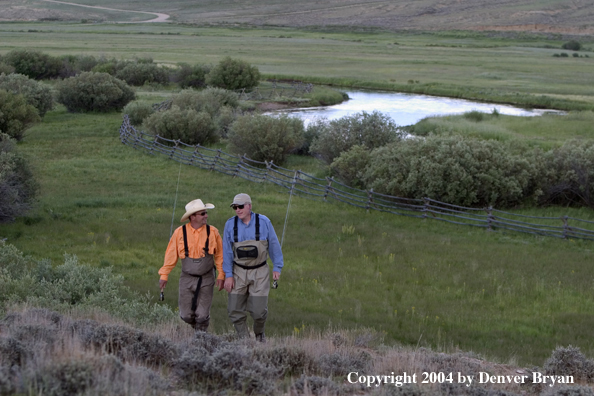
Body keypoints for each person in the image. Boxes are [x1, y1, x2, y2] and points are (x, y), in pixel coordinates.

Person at [223, 193, 284, 342]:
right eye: (235, 207)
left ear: (249, 206)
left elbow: (274, 245)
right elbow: (227, 251)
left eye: (241, 206)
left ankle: (259, 335)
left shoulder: (264, 222)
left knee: (258, 311)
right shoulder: (229, 225)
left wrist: (277, 267)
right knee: (234, 309)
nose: (238, 210)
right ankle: (245, 340)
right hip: (238, 272)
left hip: (260, 272)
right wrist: (228, 275)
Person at [159, 199, 224, 332]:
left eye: (205, 213)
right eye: (203, 213)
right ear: (192, 217)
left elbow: (220, 256)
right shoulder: (179, 233)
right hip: (186, 278)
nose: (206, 216)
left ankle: (201, 340)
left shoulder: (213, 232)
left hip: (207, 278)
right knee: (186, 315)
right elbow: (171, 255)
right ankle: (192, 334)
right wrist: (164, 275)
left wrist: (221, 275)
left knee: (202, 315)